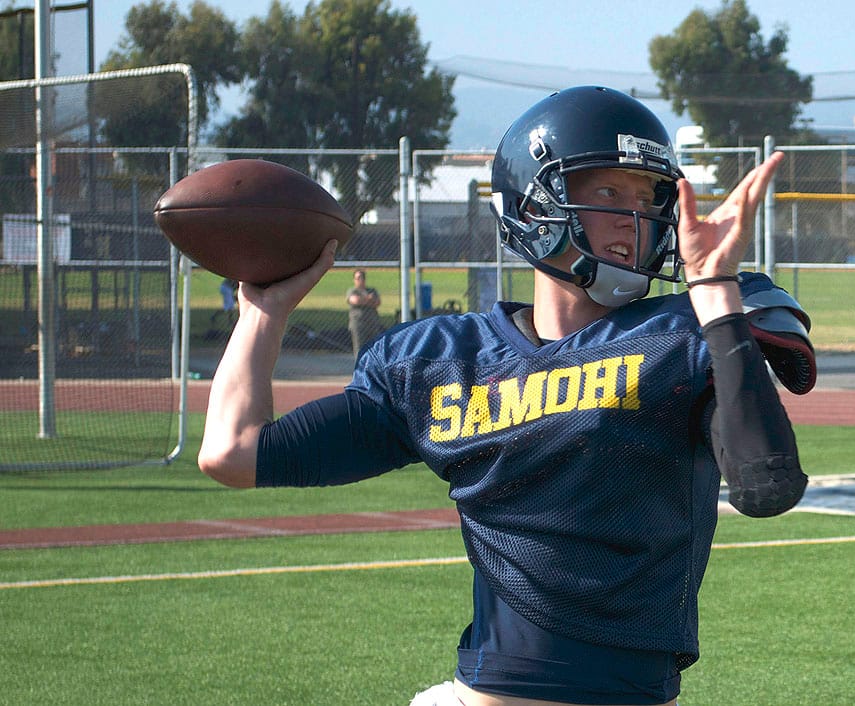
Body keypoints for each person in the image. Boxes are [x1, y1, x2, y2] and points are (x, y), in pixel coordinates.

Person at [198, 85, 814, 706]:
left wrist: (717, 296)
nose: (638, 217)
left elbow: (767, 486)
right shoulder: (441, 362)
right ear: (535, 203)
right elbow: (234, 453)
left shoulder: (684, 334)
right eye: (609, 193)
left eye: (649, 197)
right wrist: (262, 312)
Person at [347, 268, 383, 352]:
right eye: (357, 278)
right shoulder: (353, 291)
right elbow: (355, 300)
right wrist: (368, 299)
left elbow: (377, 302)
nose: (359, 280)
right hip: (358, 324)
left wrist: (363, 300)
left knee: (374, 348)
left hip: (372, 323)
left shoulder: (372, 290)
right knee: (359, 349)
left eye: (361, 277)